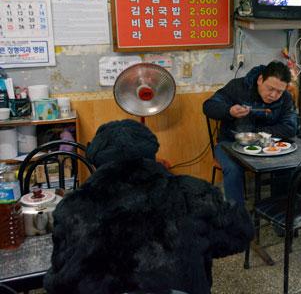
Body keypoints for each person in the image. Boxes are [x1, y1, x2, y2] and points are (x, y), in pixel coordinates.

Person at [44, 119, 254, 294]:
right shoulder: (193, 192)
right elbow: (240, 234)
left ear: (96, 161)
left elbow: (59, 283)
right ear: (153, 153)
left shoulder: (72, 208)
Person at [202, 61, 297, 207]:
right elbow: (208, 107)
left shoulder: (285, 98)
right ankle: (237, 217)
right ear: (260, 80)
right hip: (230, 142)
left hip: (268, 144)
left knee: (286, 168)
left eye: (279, 91)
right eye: (270, 89)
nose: (273, 95)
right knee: (233, 170)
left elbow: (289, 128)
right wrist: (229, 111)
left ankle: (279, 216)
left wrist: (258, 135)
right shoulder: (238, 87)